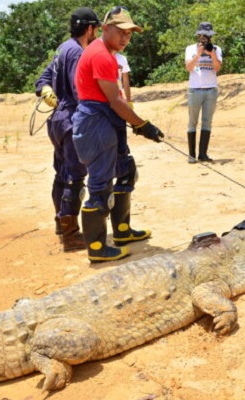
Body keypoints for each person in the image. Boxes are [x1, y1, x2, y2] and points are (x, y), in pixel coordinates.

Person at [72, 6, 165, 263]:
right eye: (121, 31)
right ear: (105, 28)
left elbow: (115, 99)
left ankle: (122, 231)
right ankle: (97, 247)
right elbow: (114, 100)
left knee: (126, 172)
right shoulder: (101, 55)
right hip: (95, 122)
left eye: (130, 33)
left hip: (107, 120)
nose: (126, 37)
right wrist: (143, 125)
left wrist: (135, 122)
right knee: (100, 185)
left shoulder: (109, 54)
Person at [34, 7, 101, 253]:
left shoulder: (63, 48)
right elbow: (79, 91)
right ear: (90, 28)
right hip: (72, 120)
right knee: (75, 177)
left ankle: (61, 223)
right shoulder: (76, 52)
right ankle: (71, 234)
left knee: (61, 174)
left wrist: (46, 91)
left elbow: (42, 80)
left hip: (56, 121)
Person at [184, 22, 223, 163]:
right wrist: (199, 54)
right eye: (202, 36)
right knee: (192, 122)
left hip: (211, 89)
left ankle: (203, 154)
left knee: (207, 122)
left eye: (207, 36)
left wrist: (211, 54)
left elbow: (217, 68)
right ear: (198, 36)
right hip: (195, 89)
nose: (204, 39)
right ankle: (191, 155)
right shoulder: (190, 49)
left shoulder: (216, 49)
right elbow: (188, 68)